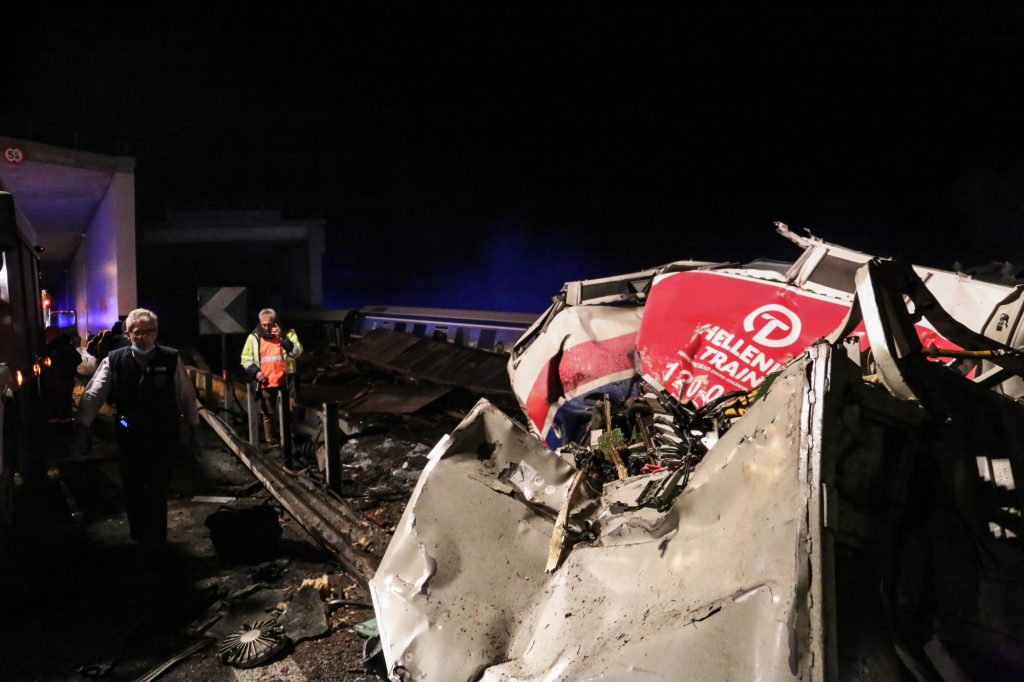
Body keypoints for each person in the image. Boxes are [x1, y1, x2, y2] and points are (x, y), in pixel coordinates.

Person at [73, 308, 202, 548]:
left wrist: (194, 428)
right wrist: (82, 428)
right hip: (129, 430)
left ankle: (157, 538)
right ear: (128, 334)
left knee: (158, 486)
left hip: (162, 433)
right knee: (133, 484)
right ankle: (139, 536)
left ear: (156, 333)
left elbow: (186, 395)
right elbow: (93, 395)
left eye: (149, 331)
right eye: (138, 332)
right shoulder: (114, 360)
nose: (144, 336)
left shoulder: (170, 359)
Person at [239, 308, 303, 448]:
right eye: (264, 324)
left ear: (275, 322)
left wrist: (282, 339)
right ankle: (271, 442)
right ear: (260, 323)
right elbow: (245, 359)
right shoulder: (254, 337)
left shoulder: (287, 333)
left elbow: (297, 352)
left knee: (290, 412)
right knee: (268, 414)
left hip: (286, 382)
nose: (267, 327)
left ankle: (291, 440)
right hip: (266, 383)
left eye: (269, 324)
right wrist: (256, 372)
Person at [42, 325, 81, 422]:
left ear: (54, 334)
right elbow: (78, 359)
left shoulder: (53, 347)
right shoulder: (66, 345)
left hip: (57, 380)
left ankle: (59, 423)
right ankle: (65, 422)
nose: (47, 336)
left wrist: (62, 367)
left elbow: (77, 359)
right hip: (65, 379)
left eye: (48, 334)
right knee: (65, 401)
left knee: (57, 402)